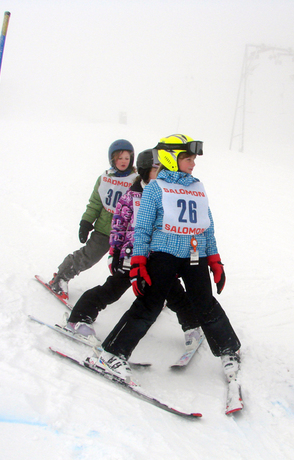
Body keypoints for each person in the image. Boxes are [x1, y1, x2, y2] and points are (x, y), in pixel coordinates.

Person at [94, 134, 241, 384]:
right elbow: (142, 228)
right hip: (163, 254)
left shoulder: (197, 187)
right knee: (150, 304)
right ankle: (112, 353)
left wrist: (214, 259)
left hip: (195, 254)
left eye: (193, 159)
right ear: (170, 159)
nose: (193, 163)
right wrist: (139, 260)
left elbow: (207, 227)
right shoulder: (155, 188)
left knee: (205, 302)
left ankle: (229, 349)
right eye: (187, 158)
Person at [64, 149, 203, 351]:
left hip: (158, 259)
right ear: (146, 170)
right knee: (111, 290)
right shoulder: (132, 196)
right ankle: (78, 318)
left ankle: (192, 326)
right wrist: (114, 253)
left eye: (164, 169)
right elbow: (118, 226)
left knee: (175, 294)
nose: (162, 173)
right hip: (131, 257)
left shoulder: (168, 195)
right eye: (157, 169)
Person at [48, 139, 137, 299]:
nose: (123, 161)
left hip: (126, 233)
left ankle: (154, 293)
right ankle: (61, 277)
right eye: (119, 157)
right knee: (88, 257)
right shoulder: (105, 179)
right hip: (104, 229)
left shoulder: (136, 180)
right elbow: (96, 202)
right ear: (112, 159)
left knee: (135, 263)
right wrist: (86, 222)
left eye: (127, 158)